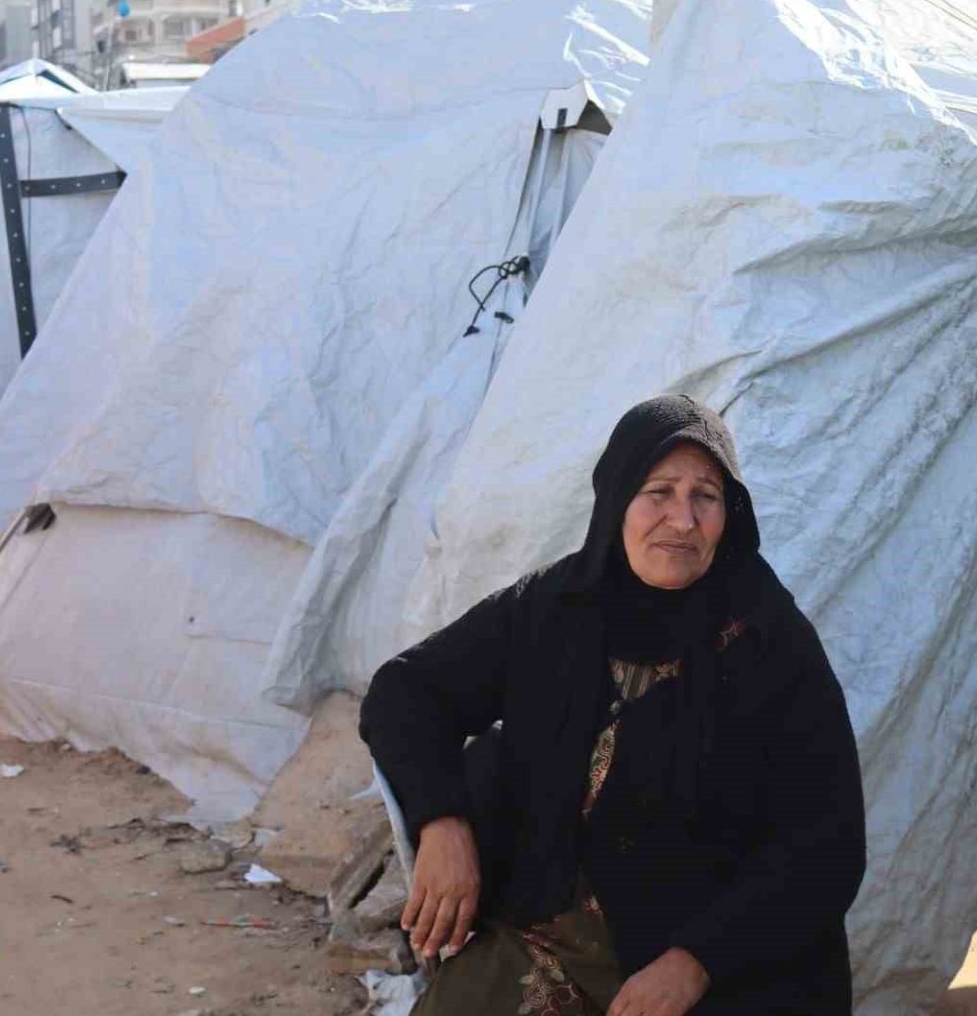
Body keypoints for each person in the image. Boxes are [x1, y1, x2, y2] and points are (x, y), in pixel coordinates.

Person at [360, 395, 866, 1016]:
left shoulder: (770, 643)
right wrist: (443, 823)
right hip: (553, 938)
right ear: (618, 497)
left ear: (729, 512)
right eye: (659, 492)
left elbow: (826, 843)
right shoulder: (555, 608)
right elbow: (406, 692)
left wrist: (694, 963)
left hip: (720, 965)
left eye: (705, 497)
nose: (682, 520)